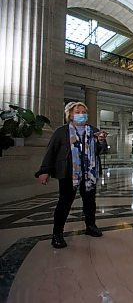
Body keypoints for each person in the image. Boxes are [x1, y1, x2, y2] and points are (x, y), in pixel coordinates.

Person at [35, 102, 108, 249]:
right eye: (78, 111)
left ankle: (91, 226)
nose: (81, 114)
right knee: (64, 203)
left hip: (89, 173)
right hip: (68, 172)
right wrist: (44, 170)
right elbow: (51, 151)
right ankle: (57, 234)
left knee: (90, 201)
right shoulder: (61, 132)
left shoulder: (93, 130)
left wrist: (101, 141)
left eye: (83, 111)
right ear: (70, 114)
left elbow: (102, 150)